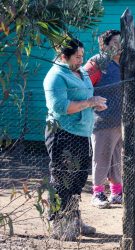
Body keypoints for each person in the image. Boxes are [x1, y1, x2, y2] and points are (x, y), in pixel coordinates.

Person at [44, 38, 108, 240]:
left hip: (81, 132)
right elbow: (61, 107)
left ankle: (73, 219)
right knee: (62, 181)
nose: (82, 59)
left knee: (78, 180)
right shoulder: (55, 76)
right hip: (62, 133)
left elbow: (84, 98)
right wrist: (89, 102)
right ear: (64, 57)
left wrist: (93, 104)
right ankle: (58, 225)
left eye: (82, 55)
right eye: (77, 56)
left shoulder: (81, 72)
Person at [84, 30, 123, 209]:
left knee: (117, 158)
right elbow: (81, 87)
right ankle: (98, 194)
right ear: (104, 46)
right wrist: (92, 103)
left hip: (121, 121)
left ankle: (116, 193)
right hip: (101, 121)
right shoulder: (97, 63)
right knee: (101, 158)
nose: (119, 46)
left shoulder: (125, 62)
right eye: (114, 42)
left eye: (121, 42)